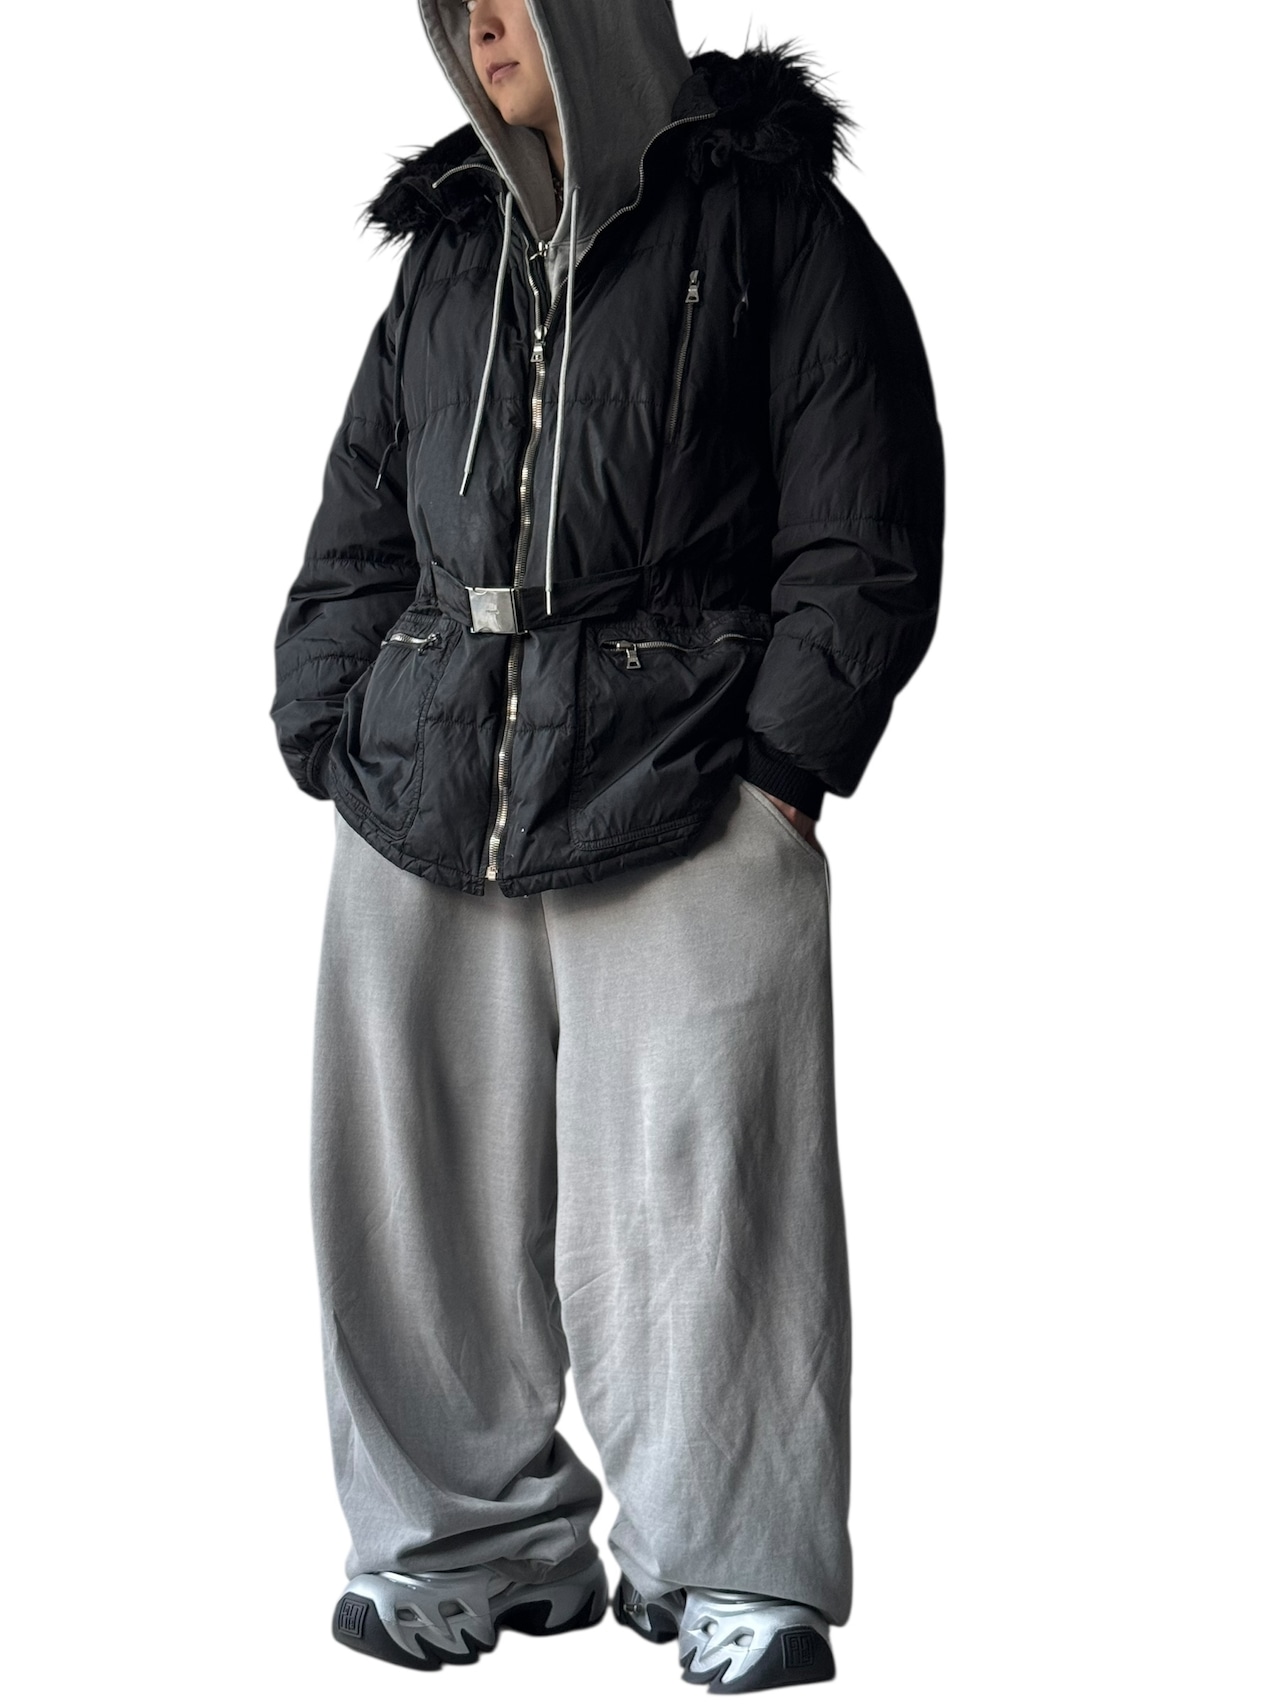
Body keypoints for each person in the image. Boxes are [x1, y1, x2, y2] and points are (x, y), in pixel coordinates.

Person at [270, 0, 943, 1692]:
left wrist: (784, 766)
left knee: (708, 1191)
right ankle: (463, 1545)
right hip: (424, 780)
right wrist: (329, 718)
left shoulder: (770, 223)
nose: (485, 21)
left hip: (687, 769)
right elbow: (363, 514)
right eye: (462, 1)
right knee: (410, 1191)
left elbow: (862, 507)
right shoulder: (450, 243)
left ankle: (731, 1565)